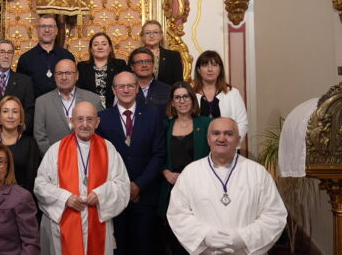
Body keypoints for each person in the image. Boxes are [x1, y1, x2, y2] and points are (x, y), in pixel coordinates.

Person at [167, 118, 287, 254]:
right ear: (208, 139)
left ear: (238, 139)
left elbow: (274, 215)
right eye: (216, 133)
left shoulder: (257, 172)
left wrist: (243, 238)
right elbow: (178, 213)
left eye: (229, 134)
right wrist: (204, 236)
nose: (221, 138)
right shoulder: (190, 173)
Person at [34, 101, 131, 255]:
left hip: (97, 222)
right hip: (65, 225)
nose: (85, 124)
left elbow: (122, 185)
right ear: (71, 121)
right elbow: (40, 185)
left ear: (97, 122)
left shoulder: (108, 149)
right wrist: (65, 198)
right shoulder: (56, 150)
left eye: (89, 119)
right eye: (79, 119)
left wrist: (100, 195)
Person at [95, 71, 165, 255]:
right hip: (114, 198)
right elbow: (100, 158)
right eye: (120, 86)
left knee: (145, 248)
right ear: (113, 89)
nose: (125, 90)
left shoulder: (153, 115)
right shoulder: (102, 117)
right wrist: (124, 188)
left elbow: (158, 155)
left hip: (145, 195)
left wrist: (138, 185)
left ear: (137, 89)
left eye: (130, 86)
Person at [158, 81, 211, 254]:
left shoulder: (206, 124)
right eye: (177, 97)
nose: (182, 101)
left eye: (185, 96)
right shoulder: (165, 125)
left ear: (192, 99)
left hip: (199, 190)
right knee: (173, 240)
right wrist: (165, 172)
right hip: (171, 190)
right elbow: (158, 155)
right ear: (172, 102)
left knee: (198, 239)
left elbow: (215, 156)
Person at [34, 58, 104, 154]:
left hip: (88, 158)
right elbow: (40, 136)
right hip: (54, 160)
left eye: (68, 73)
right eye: (59, 73)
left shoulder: (93, 99)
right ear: (54, 77)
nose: (64, 77)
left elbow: (99, 131)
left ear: (77, 75)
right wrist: (53, 159)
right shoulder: (42, 102)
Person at [0, 95, 41, 192]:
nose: (10, 116)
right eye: (5, 111)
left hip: (20, 200)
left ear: (20, 118)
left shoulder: (30, 144)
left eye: (15, 111)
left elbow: (32, 181)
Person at [193, 50, 248, 141]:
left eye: (214, 65)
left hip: (227, 147)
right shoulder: (191, 94)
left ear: (220, 69)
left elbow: (242, 123)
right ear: (198, 70)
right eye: (205, 65)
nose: (210, 69)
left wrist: (231, 143)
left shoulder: (232, 93)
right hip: (199, 148)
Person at [17, 15, 76, 98]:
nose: (47, 30)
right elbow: (21, 91)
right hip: (35, 109)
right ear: (37, 30)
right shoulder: (25, 59)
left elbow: (74, 86)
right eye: (43, 26)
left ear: (56, 31)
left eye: (50, 27)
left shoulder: (67, 56)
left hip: (63, 108)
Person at [76, 32, 130, 109]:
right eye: (96, 44)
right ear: (91, 49)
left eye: (104, 44)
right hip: (89, 110)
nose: (100, 47)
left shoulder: (119, 65)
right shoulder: (82, 67)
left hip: (114, 110)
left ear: (110, 48)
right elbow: (79, 92)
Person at [129, 47, 171, 117]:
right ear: (132, 67)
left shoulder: (167, 90)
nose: (144, 65)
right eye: (139, 62)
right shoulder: (125, 90)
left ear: (153, 64)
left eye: (148, 61)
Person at [140, 20, 183, 86]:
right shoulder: (135, 56)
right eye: (147, 33)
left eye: (155, 32)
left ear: (161, 35)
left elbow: (178, 83)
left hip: (166, 94)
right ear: (142, 36)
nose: (151, 36)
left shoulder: (173, 56)